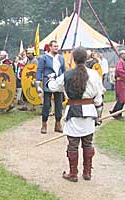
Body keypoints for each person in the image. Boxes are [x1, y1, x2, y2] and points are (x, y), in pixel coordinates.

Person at [47, 47, 103, 182]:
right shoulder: (94, 74)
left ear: (74, 59)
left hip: (73, 112)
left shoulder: (67, 75)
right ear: (86, 58)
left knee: (73, 145)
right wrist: (98, 114)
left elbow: (53, 87)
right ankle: (87, 173)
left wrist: (50, 79)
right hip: (89, 112)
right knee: (88, 144)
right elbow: (98, 97)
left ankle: (73, 174)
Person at [36, 40, 66, 134]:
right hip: (48, 82)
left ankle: (58, 124)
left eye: (57, 46)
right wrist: (38, 84)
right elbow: (39, 70)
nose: (56, 48)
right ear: (50, 47)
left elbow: (64, 71)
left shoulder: (61, 58)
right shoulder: (44, 58)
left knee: (59, 104)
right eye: (54, 46)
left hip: (59, 82)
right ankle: (44, 125)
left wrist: (65, 81)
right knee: (46, 104)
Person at [109, 50, 125, 121]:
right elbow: (118, 70)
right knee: (122, 98)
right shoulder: (120, 62)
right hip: (120, 82)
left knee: (122, 98)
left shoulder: (122, 62)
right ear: (122, 55)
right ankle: (118, 114)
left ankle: (115, 111)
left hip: (121, 82)